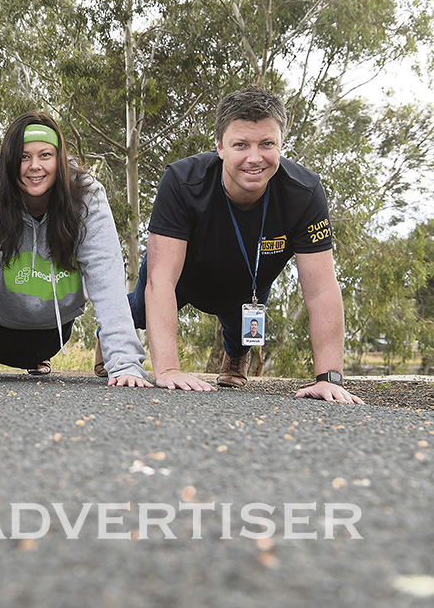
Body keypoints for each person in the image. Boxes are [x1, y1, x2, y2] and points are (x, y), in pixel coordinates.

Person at [123, 86, 362, 403]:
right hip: (184, 274)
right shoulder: (181, 181)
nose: (254, 157)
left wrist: (329, 378)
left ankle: (235, 358)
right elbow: (161, 281)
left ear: (280, 145)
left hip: (250, 276)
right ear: (220, 146)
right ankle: (108, 335)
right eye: (241, 145)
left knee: (241, 333)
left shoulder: (304, 192)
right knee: (138, 309)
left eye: (267, 144)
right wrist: (167, 370)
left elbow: (321, 290)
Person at [0, 111, 149, 387]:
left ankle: (38, 359)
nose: (34, 166)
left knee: (44, 346)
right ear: (10, 160)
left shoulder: (87, 196)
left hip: (53, 333)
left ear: (59, 159)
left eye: (45, 155)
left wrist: (125, 363)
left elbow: (107, 279)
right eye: (23, 157)